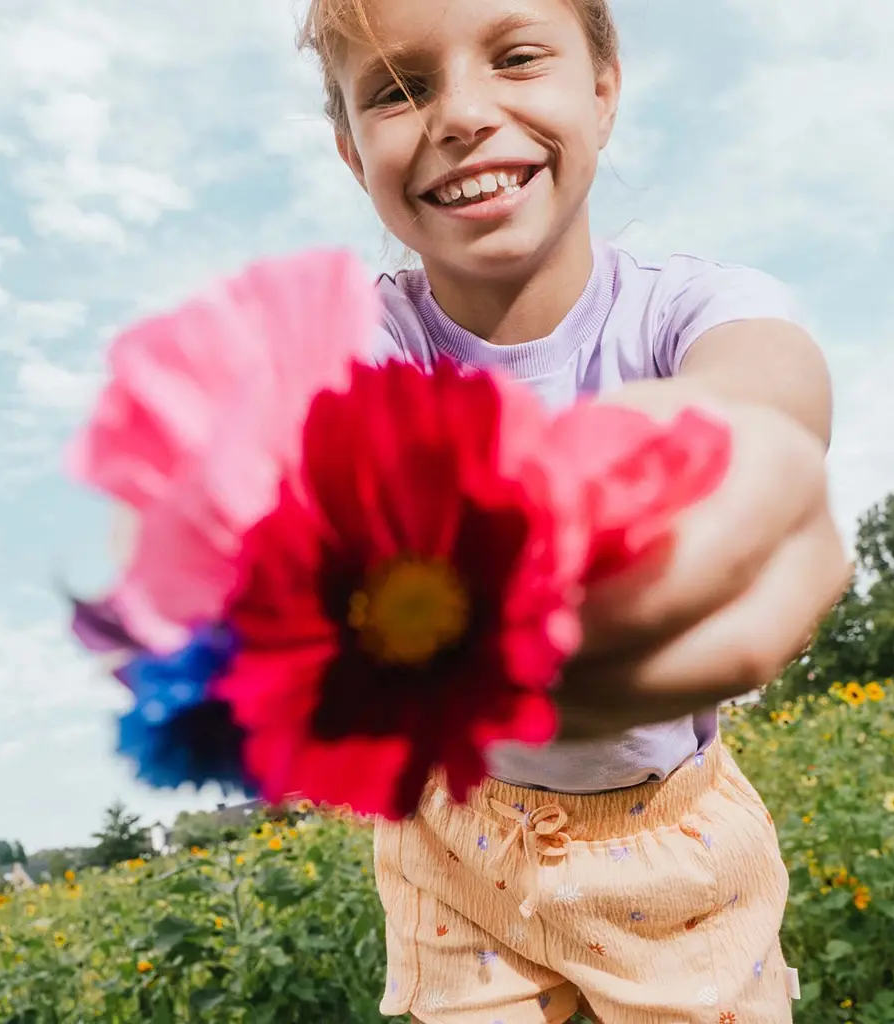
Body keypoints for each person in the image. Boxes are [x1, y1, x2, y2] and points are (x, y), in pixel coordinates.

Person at [294, 1, 850, 1021]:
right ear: (348, 147)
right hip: (457, 850)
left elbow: (764, 380)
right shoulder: (362, 335)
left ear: (601, 89)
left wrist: (750, 464)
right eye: (399, 88)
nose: (459, 114)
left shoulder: (688, 308)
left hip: (678, 854)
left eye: (514, 58)